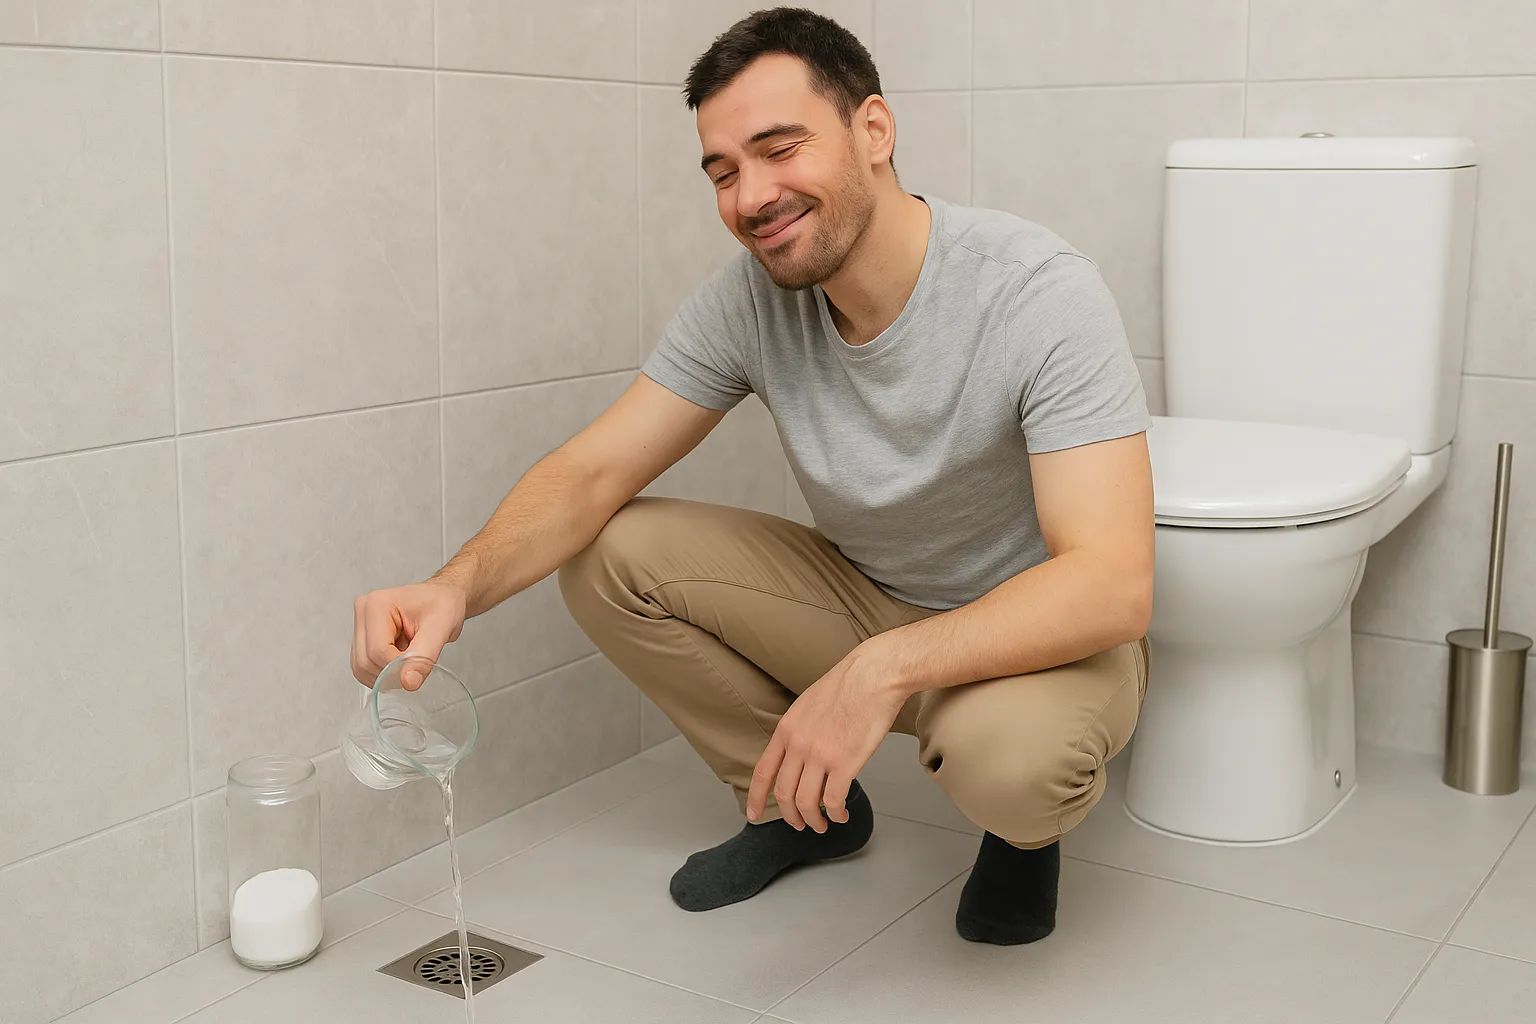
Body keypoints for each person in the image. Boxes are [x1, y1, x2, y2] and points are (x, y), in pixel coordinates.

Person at [351, 7, 1152, 946]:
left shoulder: (1036, 291)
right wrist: (454, 588)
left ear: (874, 130)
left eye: (780, 149)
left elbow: (1112, 582)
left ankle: (1021, 839)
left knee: (1013, 769)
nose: (751, 196)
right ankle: (799, 811)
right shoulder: (749, 303)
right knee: (609, 552)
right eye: (723, 171)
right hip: (871, 596)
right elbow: (593, 470)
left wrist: (881, 669)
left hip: (1039, 636)